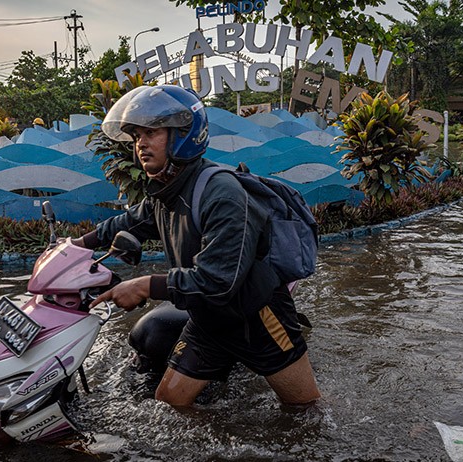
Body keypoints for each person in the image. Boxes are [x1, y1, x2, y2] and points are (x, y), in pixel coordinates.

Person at [74, 85, 321, 407]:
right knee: (169, 403)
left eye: (151, 133)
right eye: (136, 136)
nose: (141, 145)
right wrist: (78, 244)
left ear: (183, 135)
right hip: (209, 319)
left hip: (258, 319)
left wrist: (145, 285)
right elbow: (131, 221)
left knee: (306, 410)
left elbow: (218, 280)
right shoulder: (169, 189)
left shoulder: (223, 193)